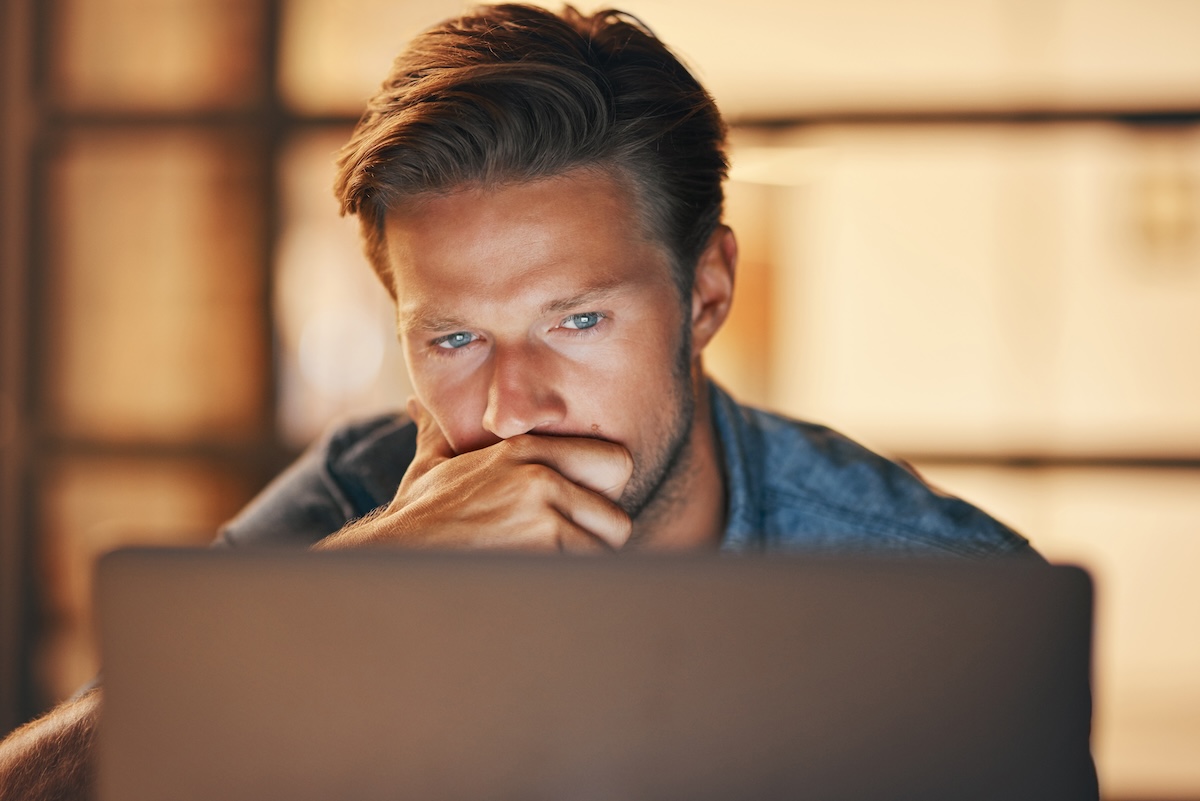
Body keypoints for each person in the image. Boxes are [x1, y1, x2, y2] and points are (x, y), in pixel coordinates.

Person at [0, 5, 1038, 799]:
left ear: (706, 293)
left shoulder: (939, 587)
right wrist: (355, 593)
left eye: (577, 321)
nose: (507, 410)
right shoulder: (354, 501)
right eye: (453, 338)